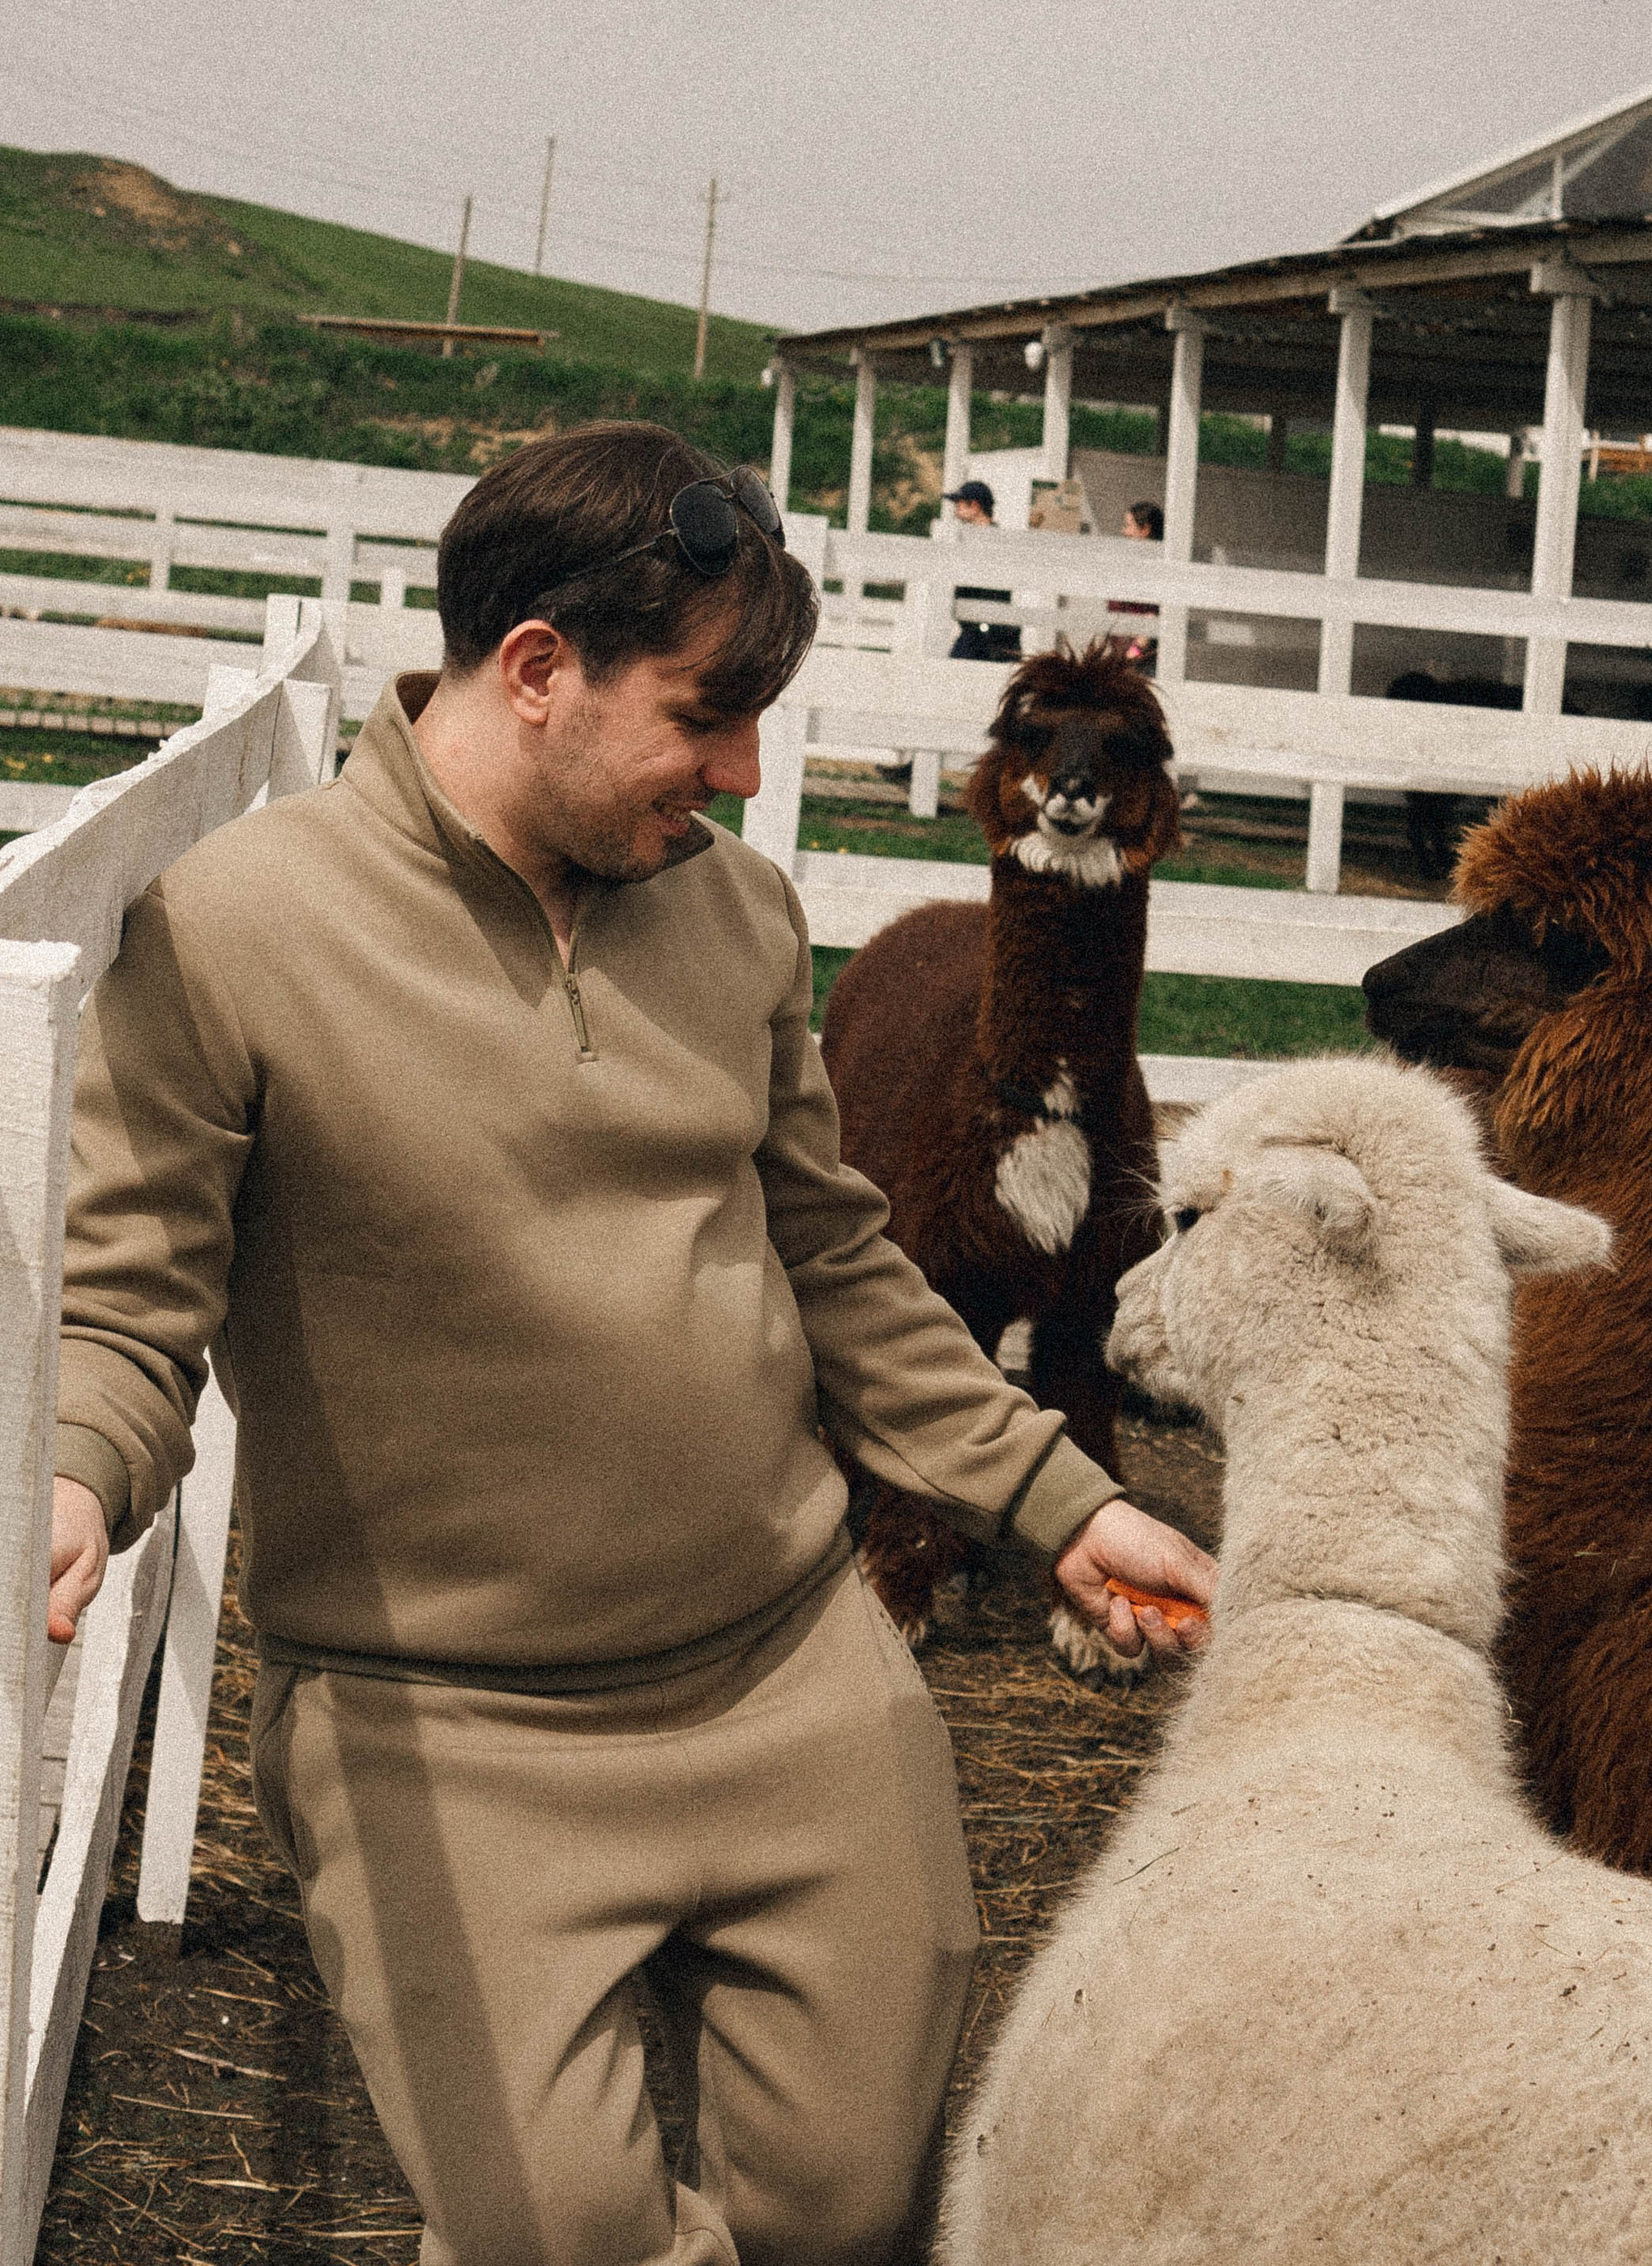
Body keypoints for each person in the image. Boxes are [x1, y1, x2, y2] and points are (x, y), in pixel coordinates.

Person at [47, 423, 1214, 2266]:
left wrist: (1056, 1500)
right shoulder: (235, 934)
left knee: (852, 2207)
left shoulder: (737, 917)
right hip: (437, 1722)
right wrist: (68, 1475)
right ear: (536, 669)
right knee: (559, 2235)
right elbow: (129, 1299)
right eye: (705, 715)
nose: (742, 772)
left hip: (786, 1665)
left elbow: (833, 1257)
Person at [944, 478, 1020, 663]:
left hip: (987, 633)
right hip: (976, 629)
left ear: (975, 506)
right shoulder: (977, 539)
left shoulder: (993, 542)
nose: (956, 510)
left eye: (960, 504)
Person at [1105, 495, 1163, 666]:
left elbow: (1152, 616)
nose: (1124, 532)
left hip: (1138, 662)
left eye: (1128, 526)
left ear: (1145, 530)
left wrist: (1134, 653)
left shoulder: (1154, 569)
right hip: (1122, 656)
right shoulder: (1131, 565)